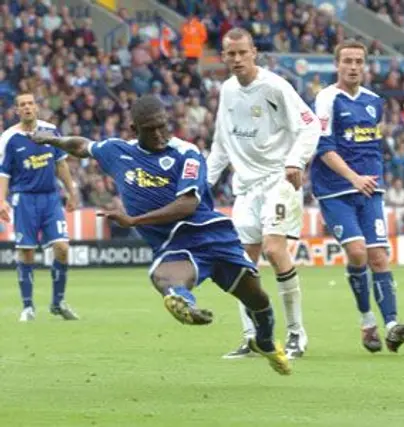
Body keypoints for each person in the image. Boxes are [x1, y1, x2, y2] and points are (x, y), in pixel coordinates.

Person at [31, 94, 291, 376]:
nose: (158, 134)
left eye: (162, 126)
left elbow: (188, 204)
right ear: (134, 130)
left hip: (211, 234)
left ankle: (264, 341)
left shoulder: (186, 153)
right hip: (174, 244)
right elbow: (82, 146)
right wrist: (53, 140)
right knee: (164, 277)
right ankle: (182, 301)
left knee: (257, 299)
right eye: (149, 129)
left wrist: (134, 220)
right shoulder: (118, 152)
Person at [207, 28, 320, 360]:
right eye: (231, 54)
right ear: (224, 56)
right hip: (246, 188)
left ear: (254, 52)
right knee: (242, 264)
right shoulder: (227, 91)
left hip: (278, 181)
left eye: (243, 52)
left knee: (274, 249)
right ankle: (253, 338)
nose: (237, 59)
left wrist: (295, 161)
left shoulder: (274, 86)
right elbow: (221, 144)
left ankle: (297, 335)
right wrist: (202, 184)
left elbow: (310, 124)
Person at [310, 40, 404, 354]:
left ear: (365, 65)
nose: (353, 66)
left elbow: (370, 144)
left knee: (379, 256)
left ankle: (393, 326)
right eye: (347, 61)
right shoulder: (327, 98)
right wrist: (353, 177)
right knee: (357, 253)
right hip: (336, 189)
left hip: (371, 189)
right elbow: (324, 148)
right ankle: (367, 320)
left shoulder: (374, 102)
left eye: (359, 61)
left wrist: (376, 176)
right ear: (337, 65)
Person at [0, 92, 79, 322]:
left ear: (37, 107)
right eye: (22, 105)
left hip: (51, 198)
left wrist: (72, 193)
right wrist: (1, 200)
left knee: (62, 248)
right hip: (24, 199)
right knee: (26, 251)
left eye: (30, 103)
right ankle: (28, 307)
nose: (27, 108)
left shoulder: (50, 131)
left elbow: (61, 164)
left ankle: (58, 302)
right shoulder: (9, 138)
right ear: (16, 110)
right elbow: (3, 173)